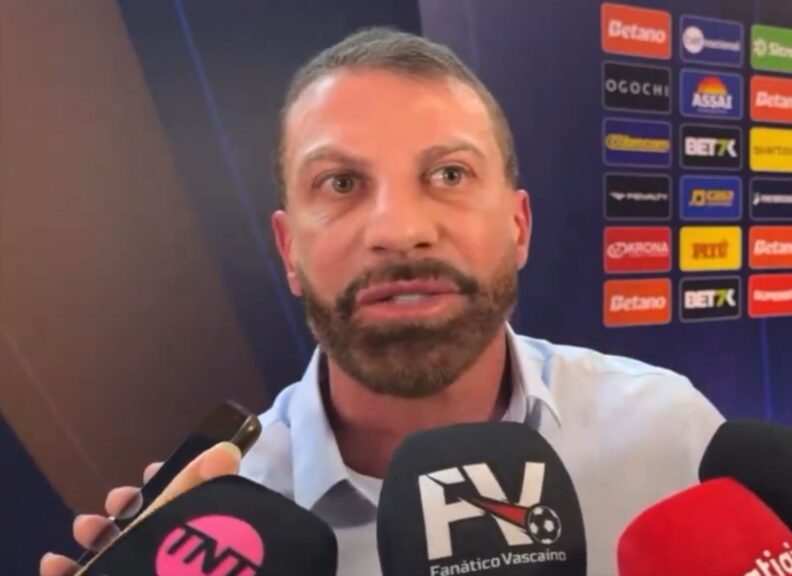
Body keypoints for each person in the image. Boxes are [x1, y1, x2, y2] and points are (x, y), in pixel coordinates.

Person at [40, 26, 724, 575]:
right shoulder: (213, 529)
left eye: (449, 174)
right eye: (340, 184)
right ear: (288, 251)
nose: (398, 231)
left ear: (519, 227)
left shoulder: (669, 435)